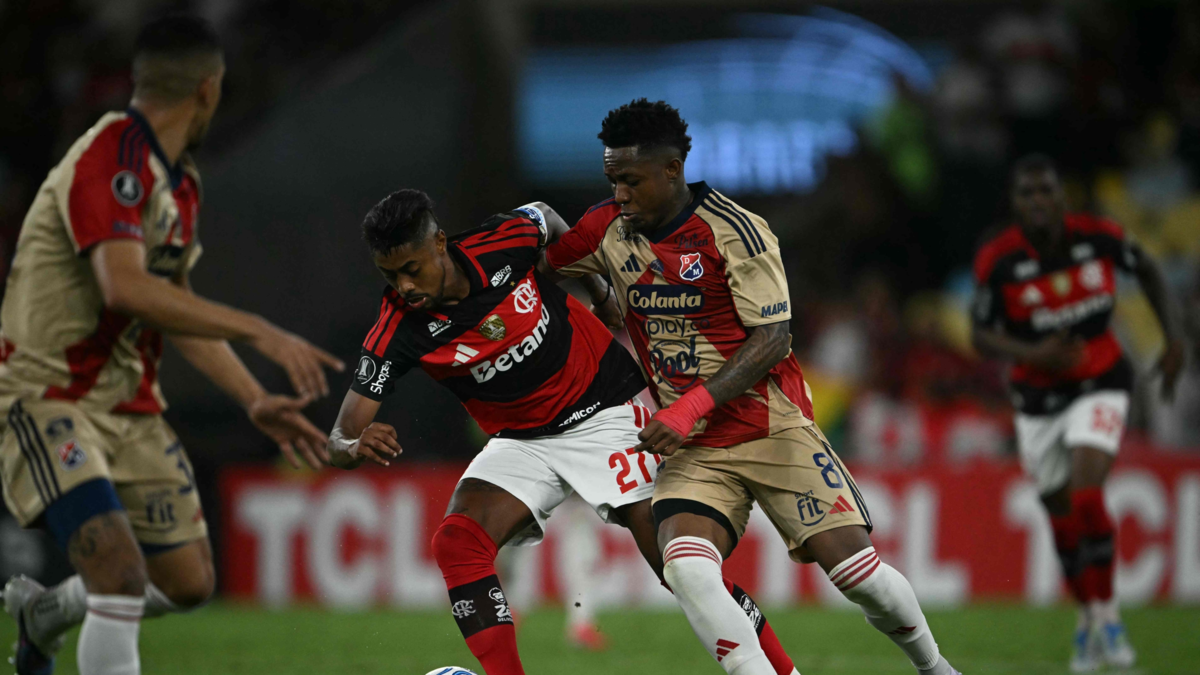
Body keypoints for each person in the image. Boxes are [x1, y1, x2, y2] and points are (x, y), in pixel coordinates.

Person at [541, 99, 960, 675]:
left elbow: (773, 339)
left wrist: (689, 407)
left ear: (672, 170)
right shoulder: (606, 231)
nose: (620, 195)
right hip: (694, 449)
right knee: (685, 567)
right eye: (612, 180)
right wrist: (534, 231)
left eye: (631, 180)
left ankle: (936, 669)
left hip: (769, 425)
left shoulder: (735, 230)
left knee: (859, 579)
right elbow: (539, 261)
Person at [328, 189, 800, 675]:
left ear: (440, 243)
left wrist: (599, 290)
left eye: (412, 268)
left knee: (680, 569)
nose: (404, 286)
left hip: (608, 408)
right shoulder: (398, 329)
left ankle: (783, 672)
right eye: (390, 275)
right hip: (524, 440)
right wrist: (351, 445)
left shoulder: (501, 239)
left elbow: (549, 219)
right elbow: (339, 435)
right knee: (457, 542)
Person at [0, 15, 343, 675]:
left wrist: (254, 398)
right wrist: (258, 327)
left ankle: (43, 614)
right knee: (121, 576)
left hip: (127, 405)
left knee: (187, 581)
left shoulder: (179, 183)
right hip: (47, 394)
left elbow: (174, 311)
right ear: (210, 90)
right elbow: (125, 288)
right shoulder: (111, 158)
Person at [970, 154, 1186, 672]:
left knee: (1088, 495)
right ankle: (1088, 620)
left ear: (1062, 196)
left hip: (1101, 381)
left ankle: (1109, 619)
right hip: (1038, 401)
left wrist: (1175, 337)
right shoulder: (999, 259)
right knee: (1061, 517)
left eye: (1047, 191)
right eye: (1028, 193)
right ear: (1016, 204)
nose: (1039, 201)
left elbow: (1150, 268)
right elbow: (980, 334)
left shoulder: (1098, 237)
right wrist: (1033, 354)